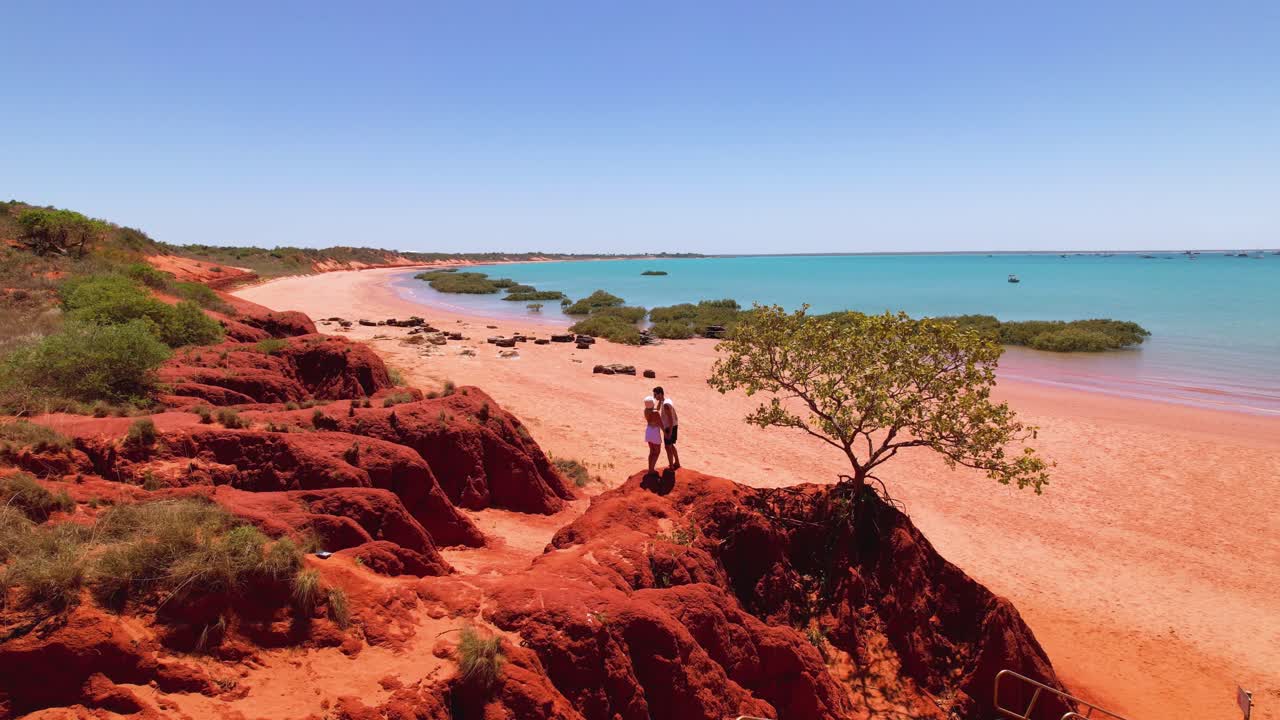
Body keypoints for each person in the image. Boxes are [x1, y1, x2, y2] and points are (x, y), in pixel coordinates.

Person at [652, 386, 680, 470]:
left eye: (655, 395)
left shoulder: (666, 405)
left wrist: (669, 432)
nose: (654, 397)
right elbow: (657, 409)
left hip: (669, 427)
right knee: (671, 445)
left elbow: (670, 418)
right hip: (673, 425)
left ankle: (671, 466)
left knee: (668, 447)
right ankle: (677, 462)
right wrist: (660, 400)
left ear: (660, 394)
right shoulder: (666, 401)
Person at [643, 397, 663, 474]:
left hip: (648, 432)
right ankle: (651, 470)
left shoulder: (646, 411)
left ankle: (650, 469)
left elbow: (656, 409)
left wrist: (660, 402)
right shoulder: (655, 412)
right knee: (657, 452)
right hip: (654, 433)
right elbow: (660, 423)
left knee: (652, 451)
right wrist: (666, 433)